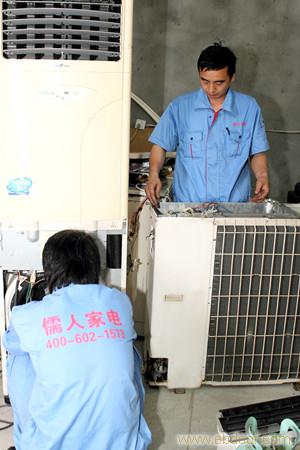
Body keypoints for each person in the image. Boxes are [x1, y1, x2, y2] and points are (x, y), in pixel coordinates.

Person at [3, 230, 151, 450]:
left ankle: (31, 443)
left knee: (19, 356)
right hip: (124, 445)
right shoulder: (120, 302)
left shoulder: (27, 316)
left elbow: (9, 344)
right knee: (130, 352)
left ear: (49, 270)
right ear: (95, 265)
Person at [145, 43, 269, 206]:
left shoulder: (249, 108)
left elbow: (257, 151)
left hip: (233, 207)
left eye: (219, 83)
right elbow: (160, 145)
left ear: (232, 77)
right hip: (189, 206)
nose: (211, 89)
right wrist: (153, 174)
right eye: (205, 81)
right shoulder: (180, 107)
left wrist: (262, 176)